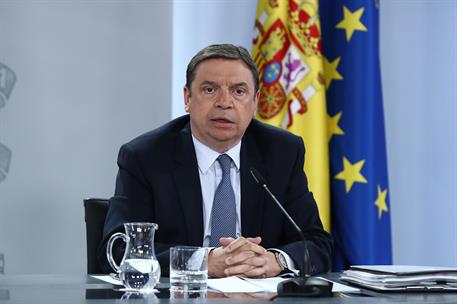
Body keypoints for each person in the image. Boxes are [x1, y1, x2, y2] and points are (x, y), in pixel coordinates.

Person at [98, 44, 332, 278]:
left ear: (255, 103)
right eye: (210, 90)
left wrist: (275, 260)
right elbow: (118, 250)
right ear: (187, 98)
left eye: (239, 91)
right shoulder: (145, 156)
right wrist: (203, 262)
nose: (224, 102)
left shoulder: (282, 152)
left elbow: (316, 243)